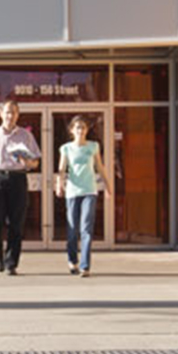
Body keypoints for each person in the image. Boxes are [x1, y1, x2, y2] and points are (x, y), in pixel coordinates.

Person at [0, 98, 40, 273]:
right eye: (7, 112)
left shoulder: (26, 136)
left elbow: (35, 164)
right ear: (1, 114)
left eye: (14, 112)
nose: (10, 115)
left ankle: (11, 263)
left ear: (18, 115)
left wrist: (27, 161)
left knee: (16, 224)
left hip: (18, 179)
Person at [56, 114, 107, 275]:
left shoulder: (93, 146)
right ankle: (72, 261)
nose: (81, 130)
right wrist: (59, 185)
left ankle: (85, 266)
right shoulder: (66, 148)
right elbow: (62, 169)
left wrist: (108, 187)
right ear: (72, 130)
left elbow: (100, 167)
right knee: (72, 229)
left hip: (89, 191)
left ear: (87, 130)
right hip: (72, 192)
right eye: (78, 127)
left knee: (86, 228)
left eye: (83, 127)